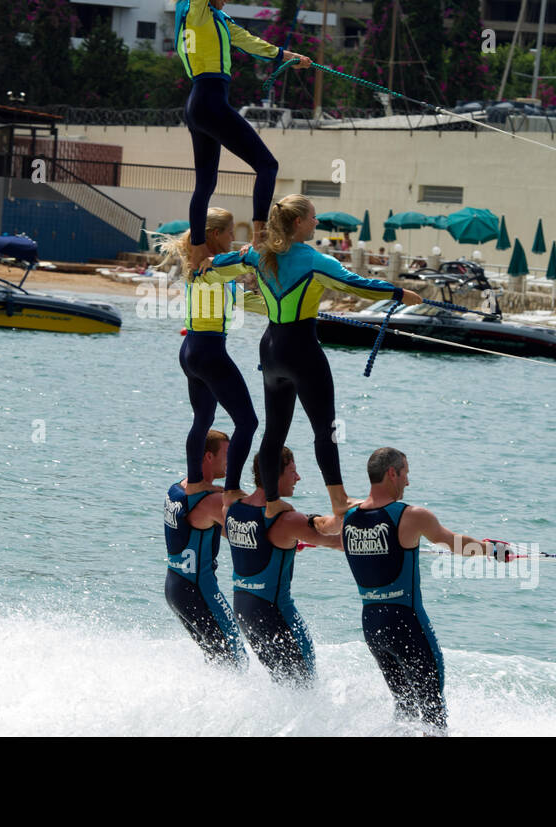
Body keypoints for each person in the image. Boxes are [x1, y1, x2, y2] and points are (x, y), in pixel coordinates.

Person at [202, 195, 421, 516]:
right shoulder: (314, 260)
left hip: (271, 350)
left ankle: (271, 503)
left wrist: (209, 263)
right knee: (325, 428)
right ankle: (338, 501)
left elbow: (222, 263)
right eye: (313, 218)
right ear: (297, 223)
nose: (317, 223)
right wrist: (400, 293)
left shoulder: (259, 255)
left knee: (275, 431)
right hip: (301, 350)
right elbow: (356, 285)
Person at [162, 0, 311, 271]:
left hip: (198, 104)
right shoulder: (196, 9)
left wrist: (290, 58)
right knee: (267, 165)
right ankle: (260, 239)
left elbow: (251, 42)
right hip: (210, 101)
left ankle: (198, 251)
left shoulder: (213, 18)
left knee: (206, 183)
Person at [341, 447, 512, 733]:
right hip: (406, 624)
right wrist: (493, 550)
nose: (408, 481)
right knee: (433, 711)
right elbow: (452, 543)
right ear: (392, 473)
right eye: (405, 472)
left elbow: (330, 536)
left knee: (404, 707)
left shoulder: (349, 518)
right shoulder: (411, 515)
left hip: (372, 627)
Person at [158, 207, 264, 510]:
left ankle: (195, 482)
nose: (234, 238)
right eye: (231, 233)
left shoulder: (206, 268)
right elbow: (248, 263)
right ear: (215, 235)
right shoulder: (211, 267)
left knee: (203, 419)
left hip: (191, 350)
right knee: (248, 422)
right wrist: (252, 252)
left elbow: (243, 299)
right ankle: (231, 490)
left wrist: (282, 310)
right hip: (209, 352)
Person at [226, 447, 342, 685]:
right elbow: (338, 542)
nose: (298, 478)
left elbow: (252, 542)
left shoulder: (233, 509)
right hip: (276, 613)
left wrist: (287, 543)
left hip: (244, 610)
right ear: (274, 474)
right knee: (305, 686)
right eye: (293, 471)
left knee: (282, 686)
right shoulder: (287, 519)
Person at [164, 429, 248, 668]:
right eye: (226, 454)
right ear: (208, 457)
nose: (230, 461)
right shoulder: (209, 501)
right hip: (199, 590)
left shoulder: (177, 489)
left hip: (176, 587)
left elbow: (221, 530)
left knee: (217, 659)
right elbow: (246, 530)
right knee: (236, 658)